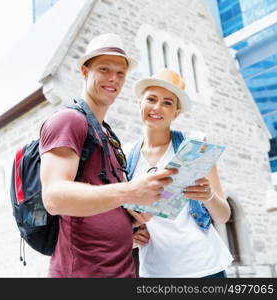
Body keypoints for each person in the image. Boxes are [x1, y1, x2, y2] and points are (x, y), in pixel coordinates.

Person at [39, 34, 178, 278]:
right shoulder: (68, 120)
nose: (113, 79)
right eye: (104, 69)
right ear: (85, 71)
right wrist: (131, 191)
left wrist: (130, 223)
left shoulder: (108, 134)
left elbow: (98, 201)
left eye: (120, 73)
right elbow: (54, 197)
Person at [127, 69, 234, 278]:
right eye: (151, 99)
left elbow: (224, 215)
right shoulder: (126, 154)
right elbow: (120, 215)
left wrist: (209, 196)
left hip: (205, 267)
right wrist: (129, 236)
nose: (157, 107)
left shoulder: (194, 144)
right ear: (139, 103)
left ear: (176, 112)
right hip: (156, 271)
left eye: (167, 102)